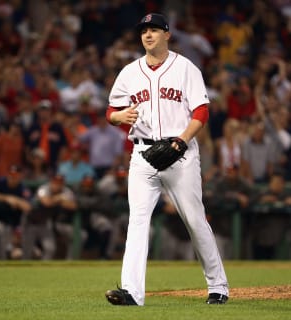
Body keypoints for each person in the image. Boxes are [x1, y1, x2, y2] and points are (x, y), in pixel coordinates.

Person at [104, 13, 229, 306]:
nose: (148, 35)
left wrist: (181, 141)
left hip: (180, 153)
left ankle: (218, 285)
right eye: (144, 31)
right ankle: (132, 292)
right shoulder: (129, 72)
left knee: (195, 221)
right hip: (143, 155)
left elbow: (201, 113)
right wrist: (119, 117)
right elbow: (111, 111)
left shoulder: (186, 68)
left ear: (167, 35)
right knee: (137, 221)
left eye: (155, 30)